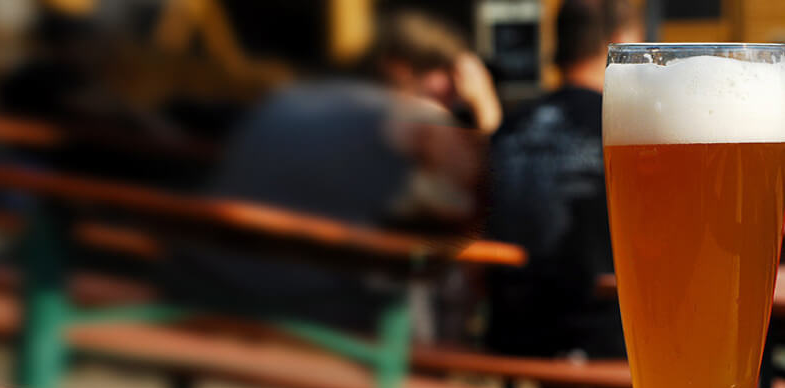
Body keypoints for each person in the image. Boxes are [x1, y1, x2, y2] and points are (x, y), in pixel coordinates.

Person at [161, 10, 501, 332]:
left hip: (204, 277)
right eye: (448, 75)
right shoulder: (418, 118)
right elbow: (479, 203)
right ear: (399, 68)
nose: (457, 93)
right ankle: (431, 377)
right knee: (430, 273)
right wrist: (486, 111)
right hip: (306, 305)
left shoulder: (293, 96)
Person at [485, 0, 643, 359]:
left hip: (515, 339)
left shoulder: (511, 128)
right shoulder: (630, 131)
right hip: (608, 343)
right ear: (620, 41)